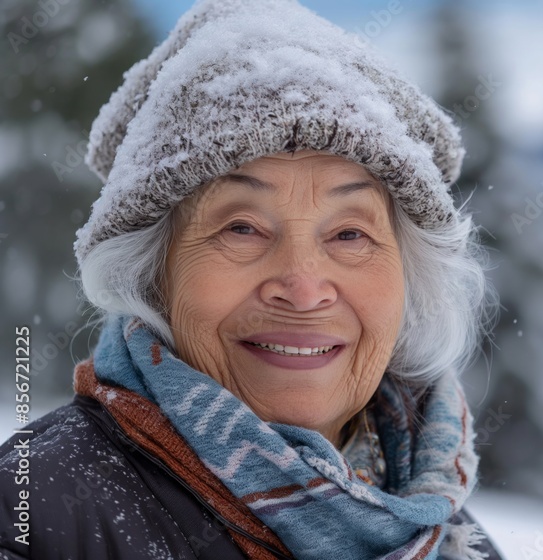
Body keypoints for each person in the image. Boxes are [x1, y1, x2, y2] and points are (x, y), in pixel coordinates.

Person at [0, 0, 500, 558]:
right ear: (152, 275)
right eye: (242, 228)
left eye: (350, 235)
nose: (304, 287)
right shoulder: (36, 517)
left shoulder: (449, 532)